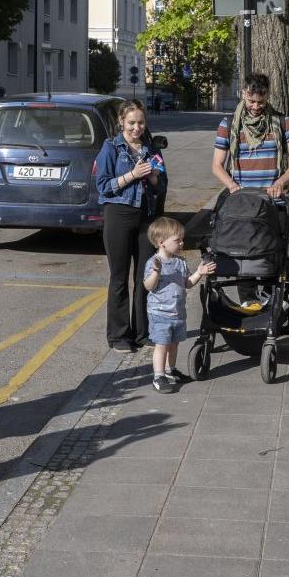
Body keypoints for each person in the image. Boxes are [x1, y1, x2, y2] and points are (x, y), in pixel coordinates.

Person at [94, 100, 167, 352]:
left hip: (145, 218)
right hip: (119, 215)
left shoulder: (150, 148)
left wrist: (155, 178)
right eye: (131, 123)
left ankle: (142, 332)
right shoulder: (111, 147)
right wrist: (132, 175)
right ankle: (118, 335)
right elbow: (103, 186)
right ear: (122, 123)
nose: (137, 128)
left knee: (145, 276)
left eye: (141, 123)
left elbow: (162, 185)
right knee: (119, 276)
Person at [140, 216, 213, 393]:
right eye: (177, 240)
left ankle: (170, 370)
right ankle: (158, 376)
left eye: (182, 239)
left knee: (174, 344)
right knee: (162, 345)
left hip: (178, 312)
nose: (182, 243)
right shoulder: (154, 262)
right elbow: (148, 286)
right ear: (161, 242)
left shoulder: (180, 262)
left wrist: (199, 272)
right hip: (160, 313)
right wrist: (156, 273)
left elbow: (187, 283)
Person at [211, 73, 289, 201]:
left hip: (273, 202)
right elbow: (217, 165)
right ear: (244, 94)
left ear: (267, 95)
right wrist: (231, 185)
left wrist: (280, 183)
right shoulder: (228, 124)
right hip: (239, 201)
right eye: (251, 101)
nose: (255, 107)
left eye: (261, 102)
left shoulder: (283, 123)